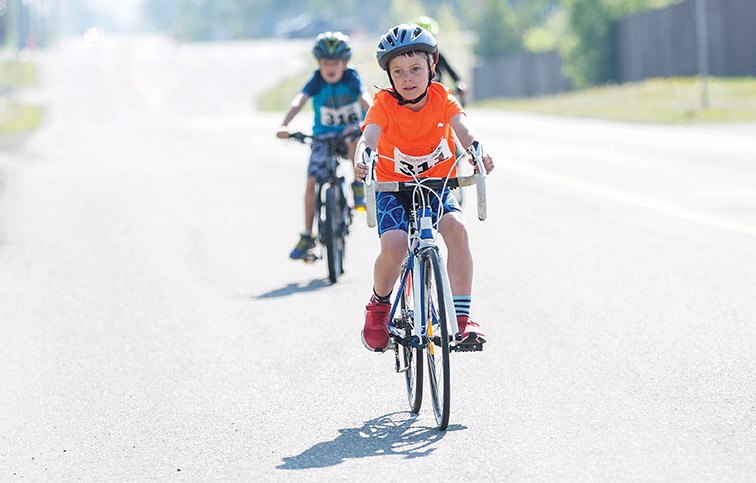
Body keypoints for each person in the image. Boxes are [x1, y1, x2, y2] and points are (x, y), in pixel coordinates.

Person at [353, 24, 494, 352]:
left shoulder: (441, 97)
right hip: (392, 188)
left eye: (416, 69)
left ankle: (461, 320)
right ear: (389, 76)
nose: (408, 78)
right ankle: (378, 306)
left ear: (432, 66)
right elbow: (369, 136)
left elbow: (463, 126)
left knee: (457, 229)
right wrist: (363, 157)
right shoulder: (383, 103)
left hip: (436, 184)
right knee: (396, 244)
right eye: (398, 72)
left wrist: (476, 149)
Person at [276, 31, 372, 260]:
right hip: (323, 137)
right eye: (325, 63)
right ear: (319, 63)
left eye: (335, 63)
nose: (330, 68)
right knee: (311, 183)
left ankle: (358, 186)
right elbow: (299, 100)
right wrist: (284, 125)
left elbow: (365, 99)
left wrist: (372, 119)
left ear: (344, 63)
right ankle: (308, 234)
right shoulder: (317, 79)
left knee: (353, 140)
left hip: (348, 133)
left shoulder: (351, 77)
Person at [412, 16, 468, 106]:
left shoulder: (437, 55)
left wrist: (459, 82)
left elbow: (450, 70)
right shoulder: (408, 60)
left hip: (437, 100)